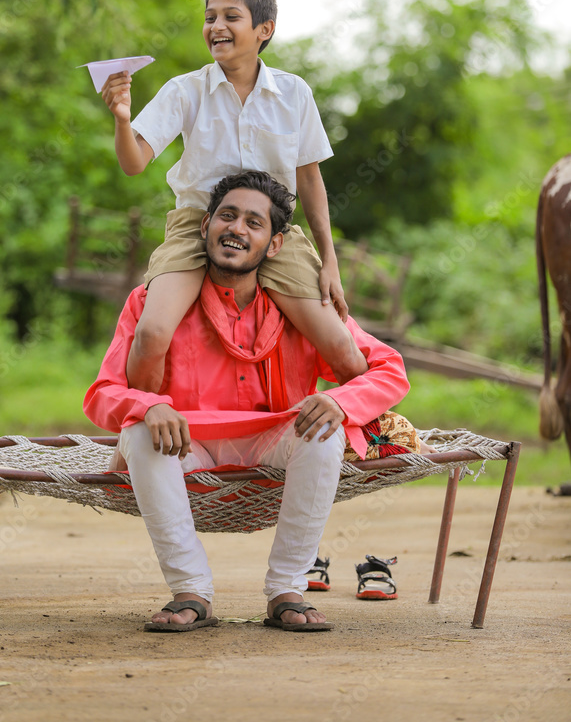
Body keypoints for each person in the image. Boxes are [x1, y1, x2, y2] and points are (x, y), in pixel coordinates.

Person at [84, 171, 411, 632]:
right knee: (139, 430)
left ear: (274, 246)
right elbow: (103, 392)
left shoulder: (303, 308)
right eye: (227, 216)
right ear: (205, 228)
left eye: (254, 223)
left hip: (274, 448)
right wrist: (149, 405)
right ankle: (190, 590)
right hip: (187, 450)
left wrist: (341, 401)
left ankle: (287, 590)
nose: (236, 229)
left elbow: (389, 368)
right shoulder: (151, 302)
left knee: (325, 427)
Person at [100, 0, 366, 398]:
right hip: (197, 224)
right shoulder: (186, 90)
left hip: (271, 231)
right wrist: (121, 118)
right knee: (150, 334)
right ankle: (141, 429)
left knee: (344, 350)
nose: (216, 26)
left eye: (230, 16)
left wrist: (329, 260)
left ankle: (365, 442)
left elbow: (310, 180)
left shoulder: (294, 93)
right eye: (210, 17)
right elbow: (134, 163)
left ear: (264, 30)